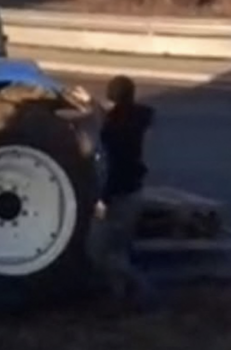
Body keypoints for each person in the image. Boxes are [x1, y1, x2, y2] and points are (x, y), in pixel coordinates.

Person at [87, 75, 157, 311]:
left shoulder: (113, 130)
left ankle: (142, 286)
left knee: (98, 250)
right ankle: (118, 298)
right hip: (135, 192)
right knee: (120, 249)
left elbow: (113, 169)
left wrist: (102, 201)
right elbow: (120, 114)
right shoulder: (139, 118)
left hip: (117, 196)